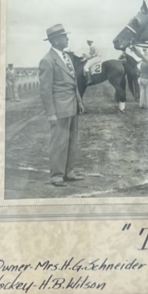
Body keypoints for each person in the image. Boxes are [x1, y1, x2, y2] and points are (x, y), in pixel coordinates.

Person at [38, 23, 84, 187]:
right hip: (59, 109)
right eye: (64, 36)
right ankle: (57, 175)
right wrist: (51, 113)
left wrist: (79, 101)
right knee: (59, 142)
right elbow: (45, 90)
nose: (67, 39)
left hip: (72, 106)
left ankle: (69, 172)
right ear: (56, 40)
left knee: (72, 140)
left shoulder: (66, 57)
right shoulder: (47, 61)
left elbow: (74, 82)